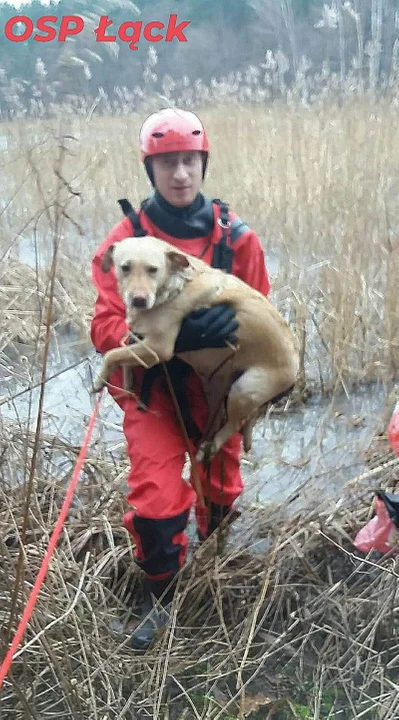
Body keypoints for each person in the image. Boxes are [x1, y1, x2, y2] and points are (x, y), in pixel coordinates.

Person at [90, 108, 271, 650]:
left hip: (215, 392)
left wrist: (233, 344)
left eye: (189, 161)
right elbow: (104, 328)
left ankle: (212, 562)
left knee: (221, 489)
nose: (180, 174)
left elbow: (264, 318)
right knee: (156, 500)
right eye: (167, 163)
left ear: (202, 163)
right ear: (152, 170)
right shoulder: (125, 242)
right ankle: (159, 599)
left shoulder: (236, 240)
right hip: (152, 393)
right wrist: (173, 338)